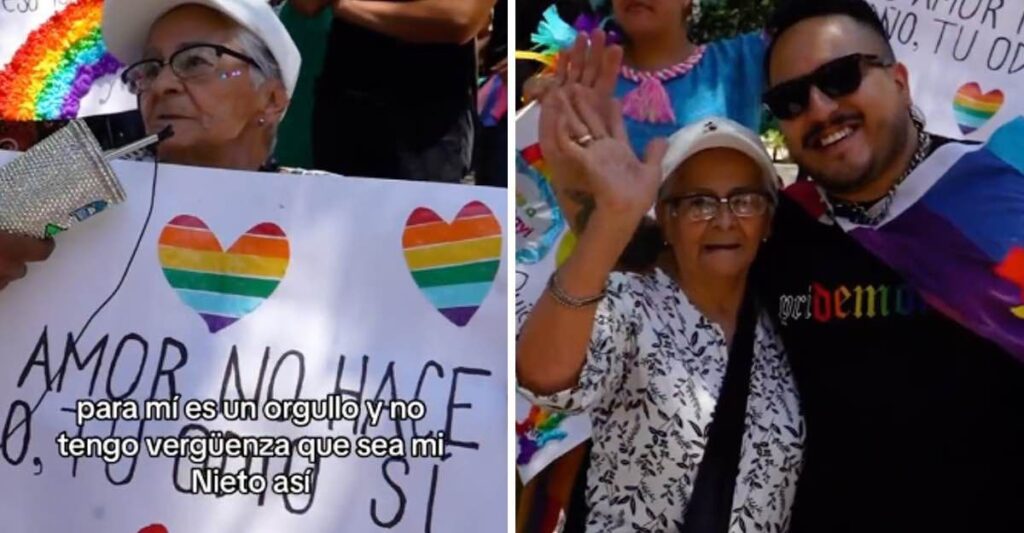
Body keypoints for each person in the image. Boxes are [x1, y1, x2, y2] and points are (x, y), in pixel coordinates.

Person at [754, 1, 1024, 531]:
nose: (820, 108)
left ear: (899, 80)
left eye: (840, 76)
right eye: (790, 99)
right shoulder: (775, 233)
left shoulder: (1005, 205)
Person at [518, 66, 803, 531]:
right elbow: (545, 376)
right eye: (698, 202)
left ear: (769, 220)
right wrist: (612, 219)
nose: (724, 220)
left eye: (745, 200)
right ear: (666, 220)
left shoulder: (788, 321)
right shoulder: (631, 304)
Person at [0, 0, 302, 293]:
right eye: (150, 70)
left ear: (272, 99)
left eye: (196, 61)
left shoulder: (320, 205)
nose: (160, 85)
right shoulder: (82, 170)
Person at [291, 0, 494, 183]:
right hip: (344, 109)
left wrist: (346, 7)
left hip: (427, 125)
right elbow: (308, 4)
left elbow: (459, 18)